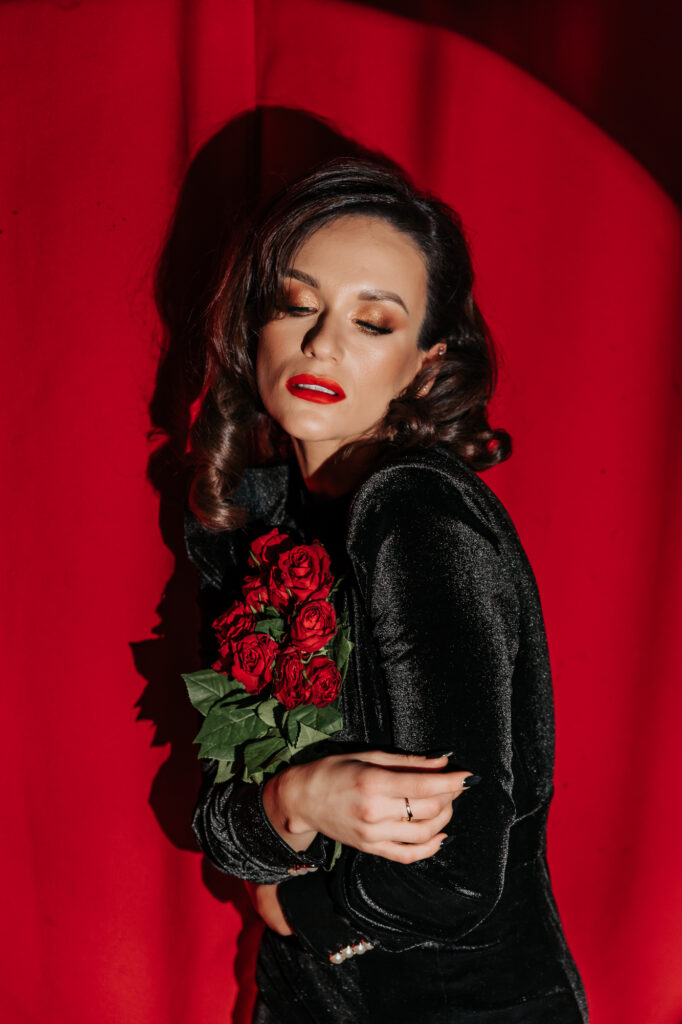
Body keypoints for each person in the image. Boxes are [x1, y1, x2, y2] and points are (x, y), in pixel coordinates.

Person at [183, 157, 589, 1023]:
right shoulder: (260, 520)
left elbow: (455, 875)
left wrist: (297, 908)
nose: (322, 344)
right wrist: (293, 798)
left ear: (423, 365)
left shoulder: (413, 513)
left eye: (372, 322)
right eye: (297, 304)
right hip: (302, 998)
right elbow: (222, 813)